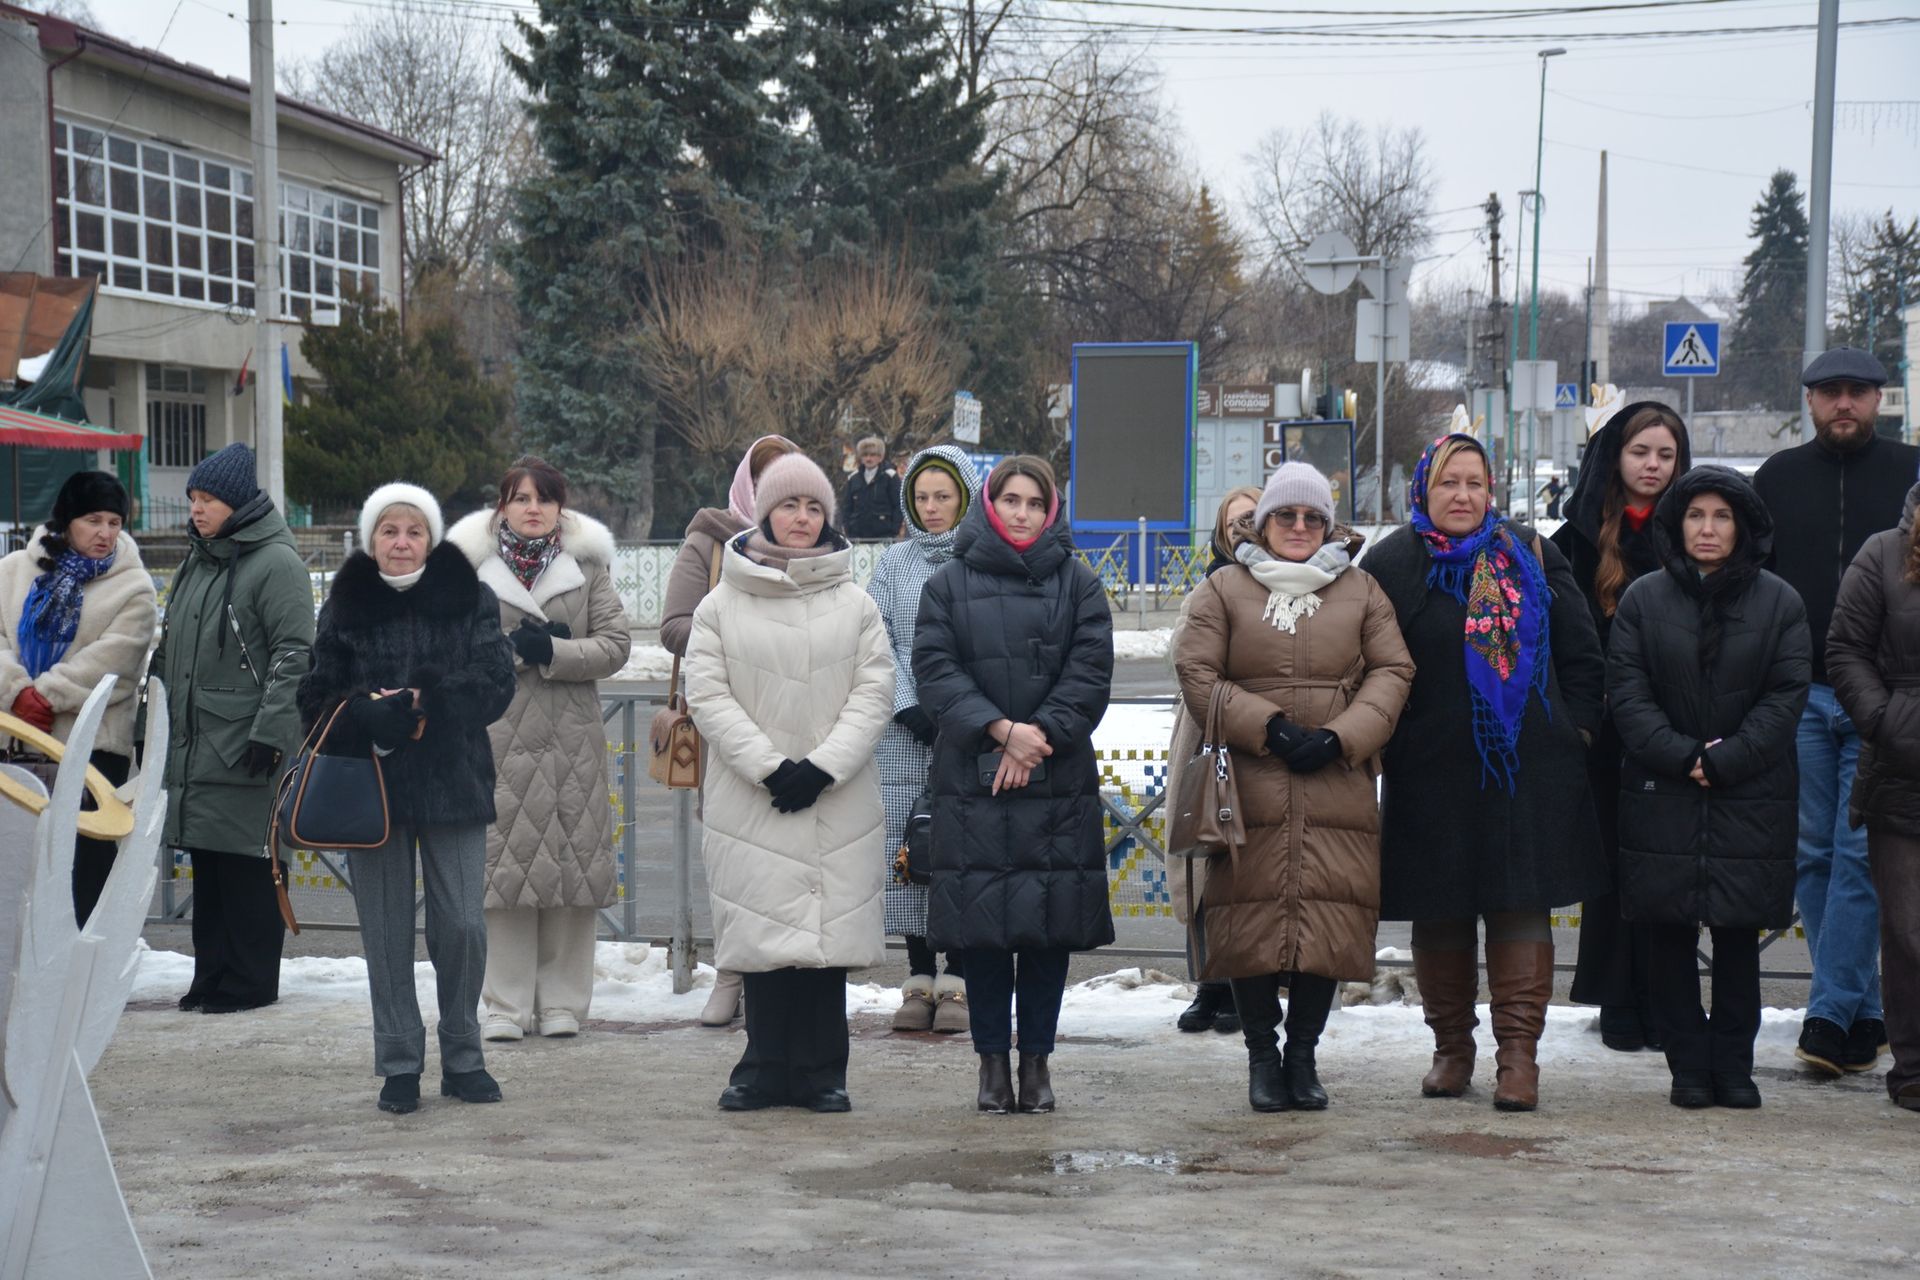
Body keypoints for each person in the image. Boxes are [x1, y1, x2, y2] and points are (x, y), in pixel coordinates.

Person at [1368, 433, 1608, 1112]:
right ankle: (1451, 1048)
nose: (1463, 495)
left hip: (1523, 770)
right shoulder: (1392, 563)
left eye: (1474, 482)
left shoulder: (1531, 553)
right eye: (1449, 482)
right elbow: (1365, 662)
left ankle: (1519, 1058)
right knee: (1439, 913)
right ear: (1423, 489)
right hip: (1429, 771)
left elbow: (1583, 656)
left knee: (1518, 908)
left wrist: (1576, 729)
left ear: (1492, 490)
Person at [1174, 464, 1414, 1111]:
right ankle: (1261, 1056)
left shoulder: (1362, 591)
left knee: (1327, 920)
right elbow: (1195, 671)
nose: (1301, 528)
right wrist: (1269, 728)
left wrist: (1341, 737)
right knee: (1249, 921)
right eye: (1287, 516)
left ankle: (1303, 1056)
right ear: (1264, 523)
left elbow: (1393, 671)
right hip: (1250, 783)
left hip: (1336, 780)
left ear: (1329, 523)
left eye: (1313, 517)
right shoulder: (1224, 589)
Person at [684, 453, 894, 1112]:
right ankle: (764, 1065)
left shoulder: (856, 603)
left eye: (813, 508)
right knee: (764, 936)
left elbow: (875, 689)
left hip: (838, 794)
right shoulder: (721, 603)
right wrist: (771, 766)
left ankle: (824, 1069)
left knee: (825, 944)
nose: (801, 519)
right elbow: (708, 694)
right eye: (788, 505)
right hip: (754, 795)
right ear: (764, 512)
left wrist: (825, 765)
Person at [298, 484, 517, 1115]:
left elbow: (497, 681)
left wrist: (432, 702)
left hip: (453, 779)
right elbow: (315, 698)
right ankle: (398, 1061)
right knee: (387, 931)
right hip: (372, 789)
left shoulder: (469, 596)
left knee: (465, 927)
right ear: (371, 540)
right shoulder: (346, 604)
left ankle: (463, 1054)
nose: (401, 542)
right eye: (389, 531)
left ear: (433, 538)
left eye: (413, 531)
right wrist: (366, 717)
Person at [913, 455, 1115, 1115]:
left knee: (1046, 936)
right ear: (990, 507)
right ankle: (992, 1067)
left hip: (1055, 782)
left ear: (1050, 510)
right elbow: (935, 670)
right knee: (985, 938)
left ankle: (1038, 1065)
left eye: (1034, 501)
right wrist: (1001, 730)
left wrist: (1036, 739)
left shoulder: (1079, 584)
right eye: (1011, 501)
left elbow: (1089, 673)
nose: (1022, 512)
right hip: (975, 781)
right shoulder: (948, 584)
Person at [1608, 467, 1811, 1109]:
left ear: (1744, 527)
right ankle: (1687, 1066)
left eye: (1722, 517)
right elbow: (1628, 693)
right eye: (1696, 515)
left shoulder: (1780, 602)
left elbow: (1786, 695)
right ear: (1677, 524)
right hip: (1660, 789)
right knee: (1668, 934)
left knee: (1737, 934)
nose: (1708, 529)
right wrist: (1682, 755)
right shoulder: (1644, 599)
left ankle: (1734, 1064)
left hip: (1750, 792)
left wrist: (1728, 760)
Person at [1752, 346, 1920, 1077]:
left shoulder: (1911, 472)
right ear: (1809, 401)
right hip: (1804, 692)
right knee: (1813, 851)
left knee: (1858, 855)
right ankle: (1861, 1012)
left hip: (1890, 700)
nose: (1843, 404)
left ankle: (1828, 1012)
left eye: (1857, 392)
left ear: (1880, 399)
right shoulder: (1778, 479)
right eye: (1829, 393)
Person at [448, 458, 631, 1042]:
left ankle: (563, 1003)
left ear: (561, 508)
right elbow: (455, 648)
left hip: (570, 742)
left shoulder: (588, 567)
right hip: (496, 737)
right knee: (503, 871)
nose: (533, 508)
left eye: (544, 499)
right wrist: (520, 651)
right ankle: (505, 1004)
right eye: (520, 497)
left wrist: (557, 653)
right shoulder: (469, 569)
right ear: (501, 505)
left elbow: (616, 644)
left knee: (572, 871)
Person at [149, 443, 313, 1014]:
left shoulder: (276, 562)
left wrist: (271, 732)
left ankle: (250, 982)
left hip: (246, 742)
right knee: (211, 865)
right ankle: (211, 976)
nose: (197, 509)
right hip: (198, 743)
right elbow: (171, 651)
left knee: (250, 862)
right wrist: (157, 715)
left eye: (209, 499)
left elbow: (294, 654)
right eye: (193, 498)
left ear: (238, 502)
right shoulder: (200, 560)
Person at [1551, 402, 1692, 1053]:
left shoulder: (1695, 532)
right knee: (1611, 870)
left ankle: (1669, 1000)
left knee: (1670, 872)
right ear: (1616, 457)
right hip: (1604, 739)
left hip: (1677, 733)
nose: (1654, 466)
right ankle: (1615, 999)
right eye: (1642, 453)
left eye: (1666, 455)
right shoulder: (1574, 542)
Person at [661, 433, 799, 1027]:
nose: (780, 501)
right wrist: (738, 637)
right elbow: (672, 627)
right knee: (733, 856)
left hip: (798, 724)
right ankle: (733, 971)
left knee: (792, 858)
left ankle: (787, 979)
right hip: (726, 723)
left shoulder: (813, 547)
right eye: (766, 485)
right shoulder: (712, 539)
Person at [0, 472, 158, 924]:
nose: (105, 533)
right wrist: (15, 691)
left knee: (83, 864)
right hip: (15, 743)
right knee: (18, 860)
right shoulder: (12, 571)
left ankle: (80, 963)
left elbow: (117, 660)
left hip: (90, 747)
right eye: (93, 520)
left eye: (115, 522)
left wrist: (43, 697)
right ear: (67, 521)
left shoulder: (133, 587)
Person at [866, 445, 982, 1033]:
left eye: (943, 496)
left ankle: (958, 980)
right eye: (921, 497)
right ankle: (917, 977)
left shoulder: (981, 559)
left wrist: (959, 711)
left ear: (965, 496)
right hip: (905, 733)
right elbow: (877, 639)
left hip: (967, 729)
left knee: (961, 846)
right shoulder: (892, 565)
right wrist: (909, 706)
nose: (932, 508)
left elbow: (988, 644)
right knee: (909, 849)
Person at [1826, 479, 1920, 1112]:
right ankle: (1912, 1068)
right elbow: (1845, 649)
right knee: (1909, 930)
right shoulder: (1884, 553)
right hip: (1902, 770)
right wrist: (1890, 721)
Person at [1169, 486, 1263, 1037]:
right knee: (1205, 860)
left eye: (1253, 519)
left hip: (1263, 741)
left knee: (1251, 868)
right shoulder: (1207, 589)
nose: (1243, 531)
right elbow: (1181, 658)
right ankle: (1208, 983)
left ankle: (1242, 985)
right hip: (1207, 740)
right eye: (1233, 526)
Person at [843, 436, 902, 540]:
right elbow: (847, 508)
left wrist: (894, 531)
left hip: (884, 537)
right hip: (858, 538)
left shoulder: (890, 477)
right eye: (865, 455)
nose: (869, 458)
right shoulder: (853, 478)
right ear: (861, 457)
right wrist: (849, 531)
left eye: (873, 455)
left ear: (880, 457)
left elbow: (898, 506)